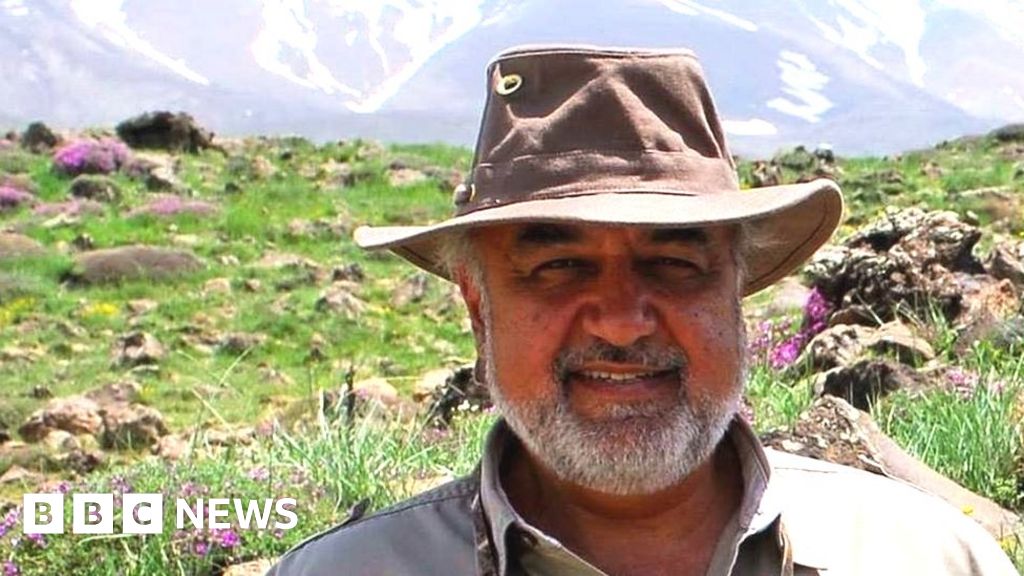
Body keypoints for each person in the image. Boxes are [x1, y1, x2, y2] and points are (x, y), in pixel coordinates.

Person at [268, 45, 1017, 576]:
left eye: (674, 263)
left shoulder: (928, 558)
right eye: (559, 267)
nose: (622, 321)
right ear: (479, 311)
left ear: (737, 295)